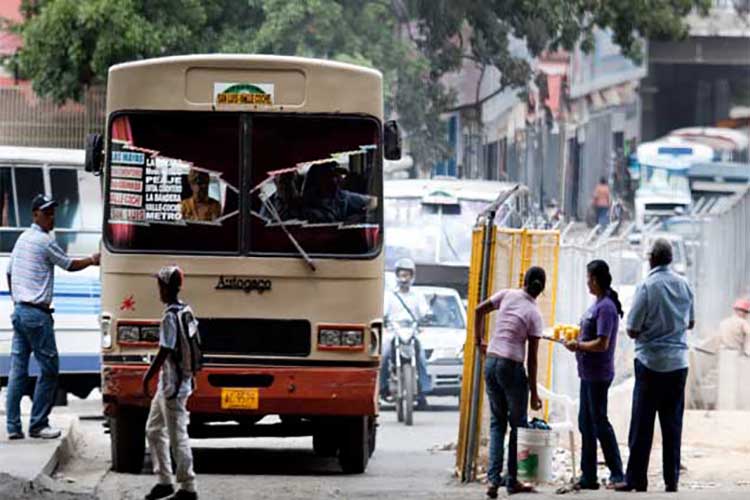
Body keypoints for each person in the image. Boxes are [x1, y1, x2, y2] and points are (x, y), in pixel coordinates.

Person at [5, 194, 100, 440]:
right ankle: (38, 424)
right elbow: (68, 265)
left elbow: (9, 272)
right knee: (49, 370)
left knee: (18, 371)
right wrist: (92, 259)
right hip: (37, 315)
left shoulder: (22, 239)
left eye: (52, 212)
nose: (51, 217)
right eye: (46, 213)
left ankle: (14, 427)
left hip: (20, 311)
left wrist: (18, 300)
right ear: (35, 214)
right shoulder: (44, 241)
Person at [616, 238, 694, 493]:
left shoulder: (646, 287)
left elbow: (632, 328)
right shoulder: (684, 285)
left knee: (642, 423)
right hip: (678, 364)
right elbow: (690, 323)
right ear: (670, 259)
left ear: (651, 258)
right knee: (672, 424)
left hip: (650, 363)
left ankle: (637, 479)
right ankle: (671, 480)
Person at [475, 266, 546, 497]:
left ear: (523, 281)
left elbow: (479, 309)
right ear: (541, 289)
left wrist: (479, 341)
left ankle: (493, 482)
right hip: (512, 367)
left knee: (497, 424)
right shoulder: (534, 314)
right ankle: (513, 480)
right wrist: (534, 394)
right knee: (517, 425)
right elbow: (532, 360)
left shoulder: (507, 295)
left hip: (492, 361)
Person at [563, 260, 624, 490]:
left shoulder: (606, 307)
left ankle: (617, 473)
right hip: (587, 373)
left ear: (596, 280)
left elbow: (602, 343)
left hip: (598, 374)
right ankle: (588, 475)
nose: (587, 282)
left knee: (599, 422)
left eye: (589, 278)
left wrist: (578, 346)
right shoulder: (597, 304)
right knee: (586, 422)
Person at [142, 265, 198, 500]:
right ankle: (164, 481)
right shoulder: (186, 310)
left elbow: (165, 349)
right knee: (154, 430)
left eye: (160, 285)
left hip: (173, 386)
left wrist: (147, 376)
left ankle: (188, 487)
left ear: (165, 287)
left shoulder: (170, 316)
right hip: (174, 383)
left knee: (178, 437)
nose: (158, 290)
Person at [379, 258, 432, 405]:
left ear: (412, 277)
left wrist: (426, 317)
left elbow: (424, 312)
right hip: (393, 331)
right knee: (383, 355)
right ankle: (383, 389)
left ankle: (423, 390)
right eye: (401, 275)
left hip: (412, 330)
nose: (404, 279)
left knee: (421, 356)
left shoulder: (417, 295)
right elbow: (383, 312)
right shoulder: (390, 295)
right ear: (397, 276)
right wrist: (382, 318)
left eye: (407, 275)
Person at [301, 161, 377, 223]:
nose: (338, 179)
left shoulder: (342, 196)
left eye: (338, 176)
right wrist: (345, 223)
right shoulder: (306, 203)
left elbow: (373, 200)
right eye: (331, 176)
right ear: (319, 179)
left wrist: (364, 212)